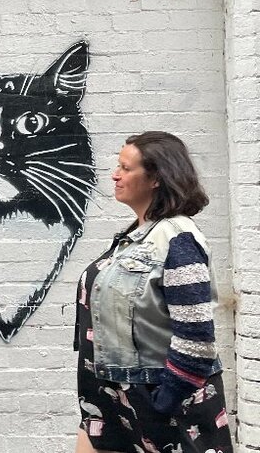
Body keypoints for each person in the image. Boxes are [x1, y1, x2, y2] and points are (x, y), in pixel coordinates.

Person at [74, 131, 233, 453]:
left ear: (157, 178)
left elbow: (196, 336)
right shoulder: (136, 236)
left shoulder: (177, 239)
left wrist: (166, 400)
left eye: (126, 168)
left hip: (159, 403)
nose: (115, 175)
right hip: (111, 397)